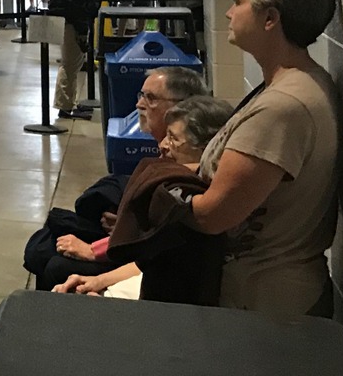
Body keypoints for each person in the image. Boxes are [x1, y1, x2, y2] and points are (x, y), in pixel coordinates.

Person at [186, 0, 341, 318]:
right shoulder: (293, 84)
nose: (228, 12)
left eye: (238, 2)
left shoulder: (283, 107)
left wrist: (157, 202)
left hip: (264, 303)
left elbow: (214, 215)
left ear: (270, 19)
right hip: (261, 295)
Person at [53, 94, 235, 300]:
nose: (163, 145)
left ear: (207, 148)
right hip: (147, 281)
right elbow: (149, 261)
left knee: (57, 270)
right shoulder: (167, 177)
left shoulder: (187, 198)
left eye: (174, 139)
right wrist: (98, 281)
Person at [48, 0, 97, 119]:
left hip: (67, 19)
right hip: (70, 21)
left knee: (73, 63)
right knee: (70, 64)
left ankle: (69, 102)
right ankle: (65, 106)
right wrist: (81, 27)